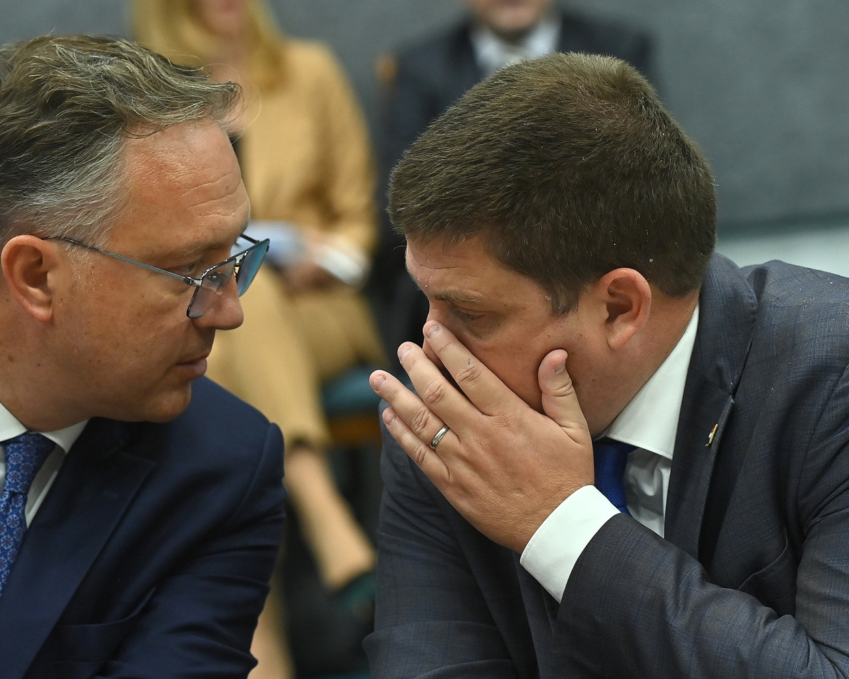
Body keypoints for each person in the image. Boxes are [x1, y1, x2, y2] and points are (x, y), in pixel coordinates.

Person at [365, 53, 849, 677]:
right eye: (425, 303)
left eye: (471, 314)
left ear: (620, 308)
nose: (431, 350)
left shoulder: (830, 375)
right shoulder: (444, 426)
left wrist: (564, 527)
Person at [0, 35, 285, 679]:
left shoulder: (219, 471)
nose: (229, 312)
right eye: (191, 272)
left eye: (233, 258)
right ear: (36, 276)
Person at [132, 1, 383, 676]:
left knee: (245, 285)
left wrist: (322, 256)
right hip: (214, 313)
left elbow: (360, 219)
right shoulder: (153, 99)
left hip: (319, 306)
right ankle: (323, 513)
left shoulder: (309, 71)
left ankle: (260, 649)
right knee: (236, 285)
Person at [371, 0, 653, 362]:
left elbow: (644, 179)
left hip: (590, 277)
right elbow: (400, 205)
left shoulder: (618, 48)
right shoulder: (420, 67)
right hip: (467, 291)